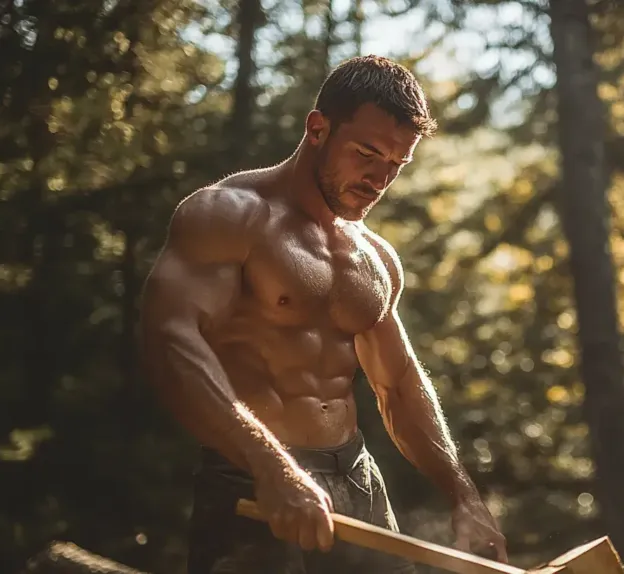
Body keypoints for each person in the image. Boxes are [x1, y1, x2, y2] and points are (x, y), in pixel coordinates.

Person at [139, 55, 507, 573]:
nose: (379, 178)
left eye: (396, 165)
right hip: (252, 480)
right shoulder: (230, 215)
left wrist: (463, 496)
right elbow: (170, 344)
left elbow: (398, 385)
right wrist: (273, 467)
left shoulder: (374, 257)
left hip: (357, 480)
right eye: (367, 153)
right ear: (318, 128)